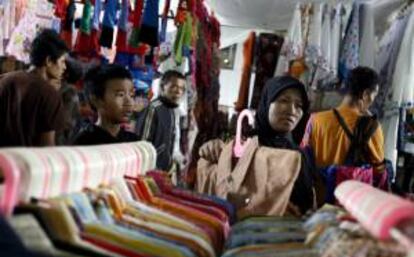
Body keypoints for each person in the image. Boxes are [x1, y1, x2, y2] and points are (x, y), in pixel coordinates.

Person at [199, 76, 315, 215]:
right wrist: (215, 151)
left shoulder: (299, 157)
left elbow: (305, 207)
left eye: (299, 105)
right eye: (284, 100)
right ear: (266, 102)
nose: (292, 110)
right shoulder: (244, 146)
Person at [301, 66, 384, 170]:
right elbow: (379, 170)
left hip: (316, 185)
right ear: (365, 94)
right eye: (374, 96)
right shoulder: (371, 128)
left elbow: (303, 157)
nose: (372, 101)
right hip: (349, 186)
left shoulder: (315, 120)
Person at [0, 29, 68, 147]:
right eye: (62, 61)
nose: (65, 67)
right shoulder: (50, 95)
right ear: (48, 61)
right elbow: (46, 149)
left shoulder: (5, 80)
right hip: (27, 164)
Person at [73, 64, 138, 145]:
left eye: (131, 95)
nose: (129, 102)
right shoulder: (85, 143)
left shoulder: (134, 141)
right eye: (120, 95)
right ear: (96, 100)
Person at [135, 70, 186, 172]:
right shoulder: (154, 109)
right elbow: (143, 144)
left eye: (181, 88)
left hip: (164, 172)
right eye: (173, 86)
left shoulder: (172, 111)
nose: (178, 91)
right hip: (150, 172)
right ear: (163, 87)